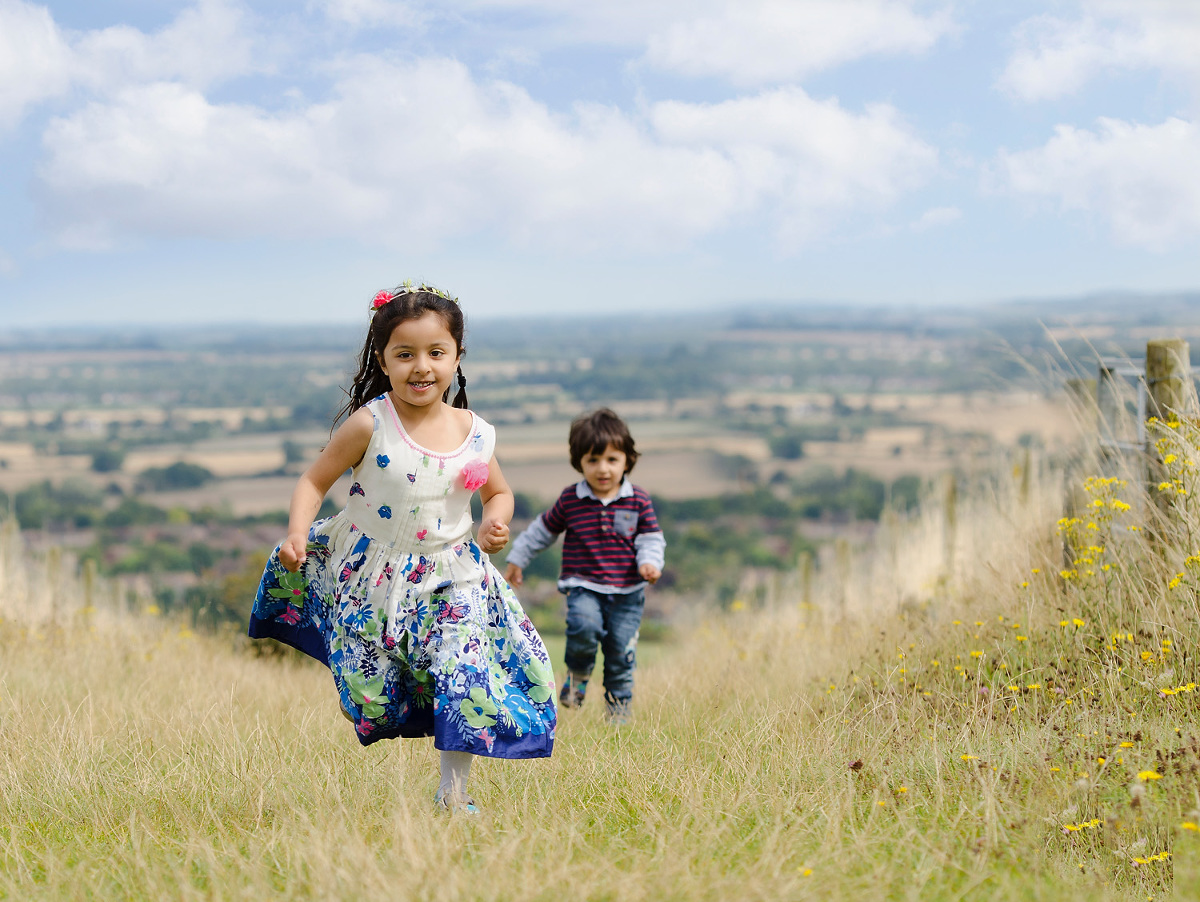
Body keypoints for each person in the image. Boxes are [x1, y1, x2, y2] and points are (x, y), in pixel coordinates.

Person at [249, 283, 556, 813]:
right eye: (405, 354)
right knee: (371, 700)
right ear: (382, 359)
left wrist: (497, 523)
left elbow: (498, 492)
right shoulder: (370, 424)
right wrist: (298, 532)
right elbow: (312, 481)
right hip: (374, 574)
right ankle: (374, 702)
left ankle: (453, 798)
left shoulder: (476, 434)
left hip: (455, 576)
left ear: (458, 357)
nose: (422, 367)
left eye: (436, 353)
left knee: (465, 679)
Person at [504, 409, 665, 723]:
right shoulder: (571, 500)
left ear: (627, 460)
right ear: (579, 463)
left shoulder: (638, 501)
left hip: (628, 592)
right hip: (584, 587)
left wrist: (649, 563)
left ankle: (618, 715)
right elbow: (541, 531)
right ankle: (577, 677)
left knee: (621, 651)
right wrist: (516, 560)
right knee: (583, 628)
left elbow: (651, 539)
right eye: (593, 460)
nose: (602, 469)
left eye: (612, 460)